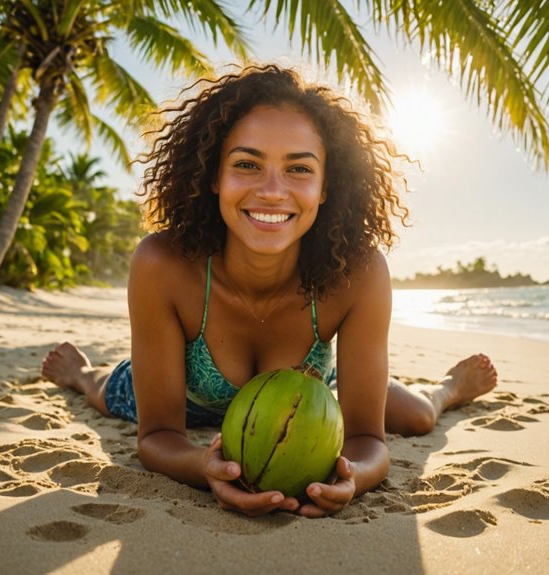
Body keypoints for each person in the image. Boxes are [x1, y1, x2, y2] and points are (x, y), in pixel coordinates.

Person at [41, 65, 497, 518]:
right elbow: (158, 435)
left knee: (417, 417)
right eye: (247, 164)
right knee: (108, 395)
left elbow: (368, 442)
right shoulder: (163, 264)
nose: (273, 191)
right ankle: (81, 372)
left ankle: (446, 389)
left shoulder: (357, 274)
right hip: (189, 399)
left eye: (299, 168)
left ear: (325, 187)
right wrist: (206, 467)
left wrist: (354, 475)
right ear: (214, 175)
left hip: (299, 403)